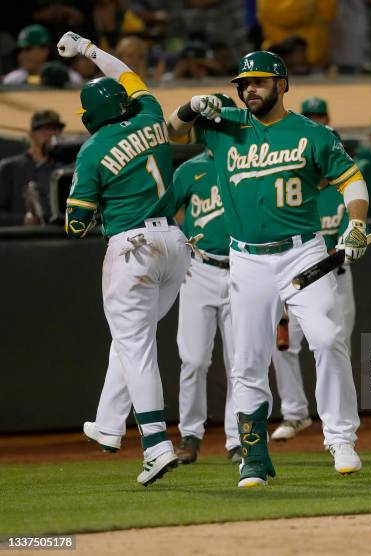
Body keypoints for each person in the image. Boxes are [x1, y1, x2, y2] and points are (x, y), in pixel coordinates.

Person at [166, 50, 369, 487]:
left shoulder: (313, 133)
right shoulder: (223, 128)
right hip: (247, 257)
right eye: (244, 83)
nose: (249, 89)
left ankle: (340, 436)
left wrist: (355, 223)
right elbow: (169, 132)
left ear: (283, 84)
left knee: (329, 337)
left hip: (304, 250)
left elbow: (352, 179)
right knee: (248, 357)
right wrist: (189, 106)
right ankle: (254, 455)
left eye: (259, 81)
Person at [56, 30, 190, 486]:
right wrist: (89, 49)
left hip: (133, 248)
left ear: (93, 116)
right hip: (175, 246)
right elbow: (126, 74)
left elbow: (76, 223)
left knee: (135, 346)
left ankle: (156, 444)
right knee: (132, 338)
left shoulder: (92, 150)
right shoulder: (151, 113)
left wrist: (88, 212)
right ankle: (109, 425)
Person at [271, 102, 356, 442]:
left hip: (336, 279)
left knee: (334, 345)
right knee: (284, 346)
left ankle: (335, 426)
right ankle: (294, 413)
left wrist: (349, 245)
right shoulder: (293, 192)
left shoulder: (345, 194)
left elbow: (352, 236)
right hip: (295, 277)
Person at [168, 93, 242, 465]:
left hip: (243, 270)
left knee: (239, 361)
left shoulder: (247, 164)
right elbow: (164, 213)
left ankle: (236, 439)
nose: (215, 128)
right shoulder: (191, 170)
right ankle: (190, 436)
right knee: (194, 360)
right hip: (200, 269)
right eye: (211, 122)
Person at [0, 109, 65, 226]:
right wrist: (22, 220)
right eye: (45, 129)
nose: (51, 134)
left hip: (61, 238)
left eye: (56, 129)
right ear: (31, 133)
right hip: (23, 240)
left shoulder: (64, 170)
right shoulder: (9, 168)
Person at [3, 24, 81, 86]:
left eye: (28, 49)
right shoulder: (13, 79)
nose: (22, 55)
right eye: (20, 51)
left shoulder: (70, 78)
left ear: (45, 50)